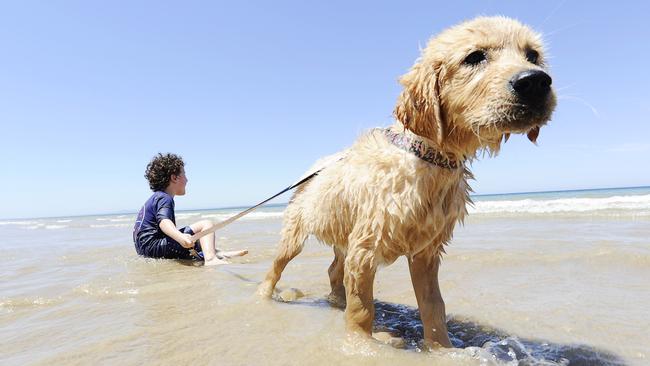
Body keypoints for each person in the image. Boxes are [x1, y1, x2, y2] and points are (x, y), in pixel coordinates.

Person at [133, 153, 247, 266]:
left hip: (145, 250)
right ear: (174, 178)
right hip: (154, 247)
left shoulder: (156, 197)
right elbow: (164, 222)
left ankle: (220, 254)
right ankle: (211, 259)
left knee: (198, 240)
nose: (187, 180)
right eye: (184, 174)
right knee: (206, 224)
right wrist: (180, 237)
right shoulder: (165, 198)